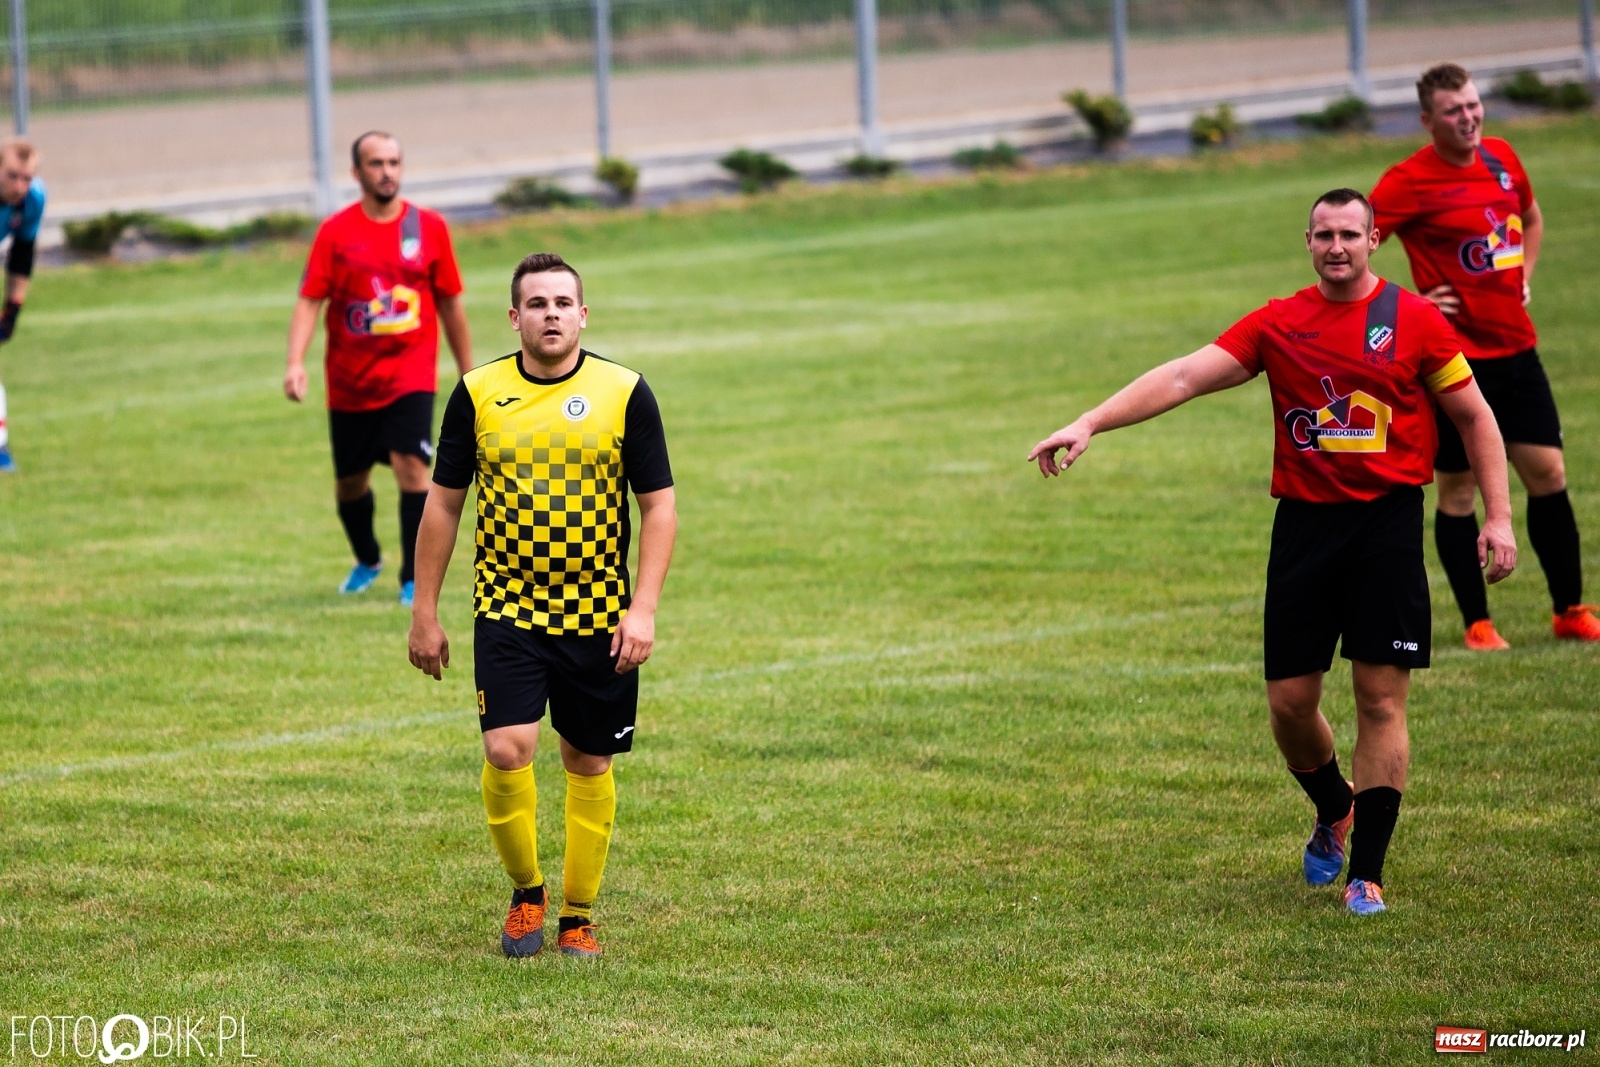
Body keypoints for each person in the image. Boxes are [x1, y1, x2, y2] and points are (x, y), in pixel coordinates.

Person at [1028, 190, 1516, 915]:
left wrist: (1498, 517)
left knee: (1380, 698)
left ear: (1373, 239)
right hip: (1304, 528)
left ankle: (1367, 874)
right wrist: (1090, 421)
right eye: (1324, 235)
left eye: (1349, 233)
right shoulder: (1280, 322)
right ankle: (1334, 806)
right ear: (1308, 242)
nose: (1336, 246)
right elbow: (1184, 375)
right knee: (1289, 705)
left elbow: (1474, 417)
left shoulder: (1414, 320)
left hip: (1385, 527)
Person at [407, 252, 676, 958]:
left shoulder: (625, 391)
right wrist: (423, 611)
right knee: (506, 747)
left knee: (588, 761)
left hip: (599, 615)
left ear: (582, 314)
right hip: (508, 609)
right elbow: (443, 505)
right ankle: (527, 893)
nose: (550, 314)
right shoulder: (477, 392)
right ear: (515, 316)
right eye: (537, 303)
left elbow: (659, 506)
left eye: (562, 303)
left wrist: (643, 608)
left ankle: (578, 914)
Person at [1371, 63, 1597, 648]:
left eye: (1473, 105)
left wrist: (1525, 275)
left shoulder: (1502, 158)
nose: (1469, 117)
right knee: (1460, 492)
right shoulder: (1407, 181)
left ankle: (1569, 610)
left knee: (1549, 474)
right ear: (1428, 120)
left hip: (1518, 349)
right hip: (1455, 362)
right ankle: (1478, 622)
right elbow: (1355, 244)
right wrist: (1411, 304)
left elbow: (1532, 217)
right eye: (1454, 110)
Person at [285, 130, 472, 606]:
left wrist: (469, 372)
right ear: (356, 172)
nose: (386, 171)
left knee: (413, 469)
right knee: (351, 483)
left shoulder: (429, 227)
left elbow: (450, 303)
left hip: (410, 376)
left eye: (393, 162)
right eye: (375, 163)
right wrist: (295, 363)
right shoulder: (335, 232)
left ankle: (412, 578)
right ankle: (367, 559)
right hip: (349, 382)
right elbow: (309, 300)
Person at [0, 138, 46, 473]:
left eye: (27, 178)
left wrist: (12, 309)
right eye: (12, 176)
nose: (20, 187)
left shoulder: (33, 200)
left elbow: (22, 256)